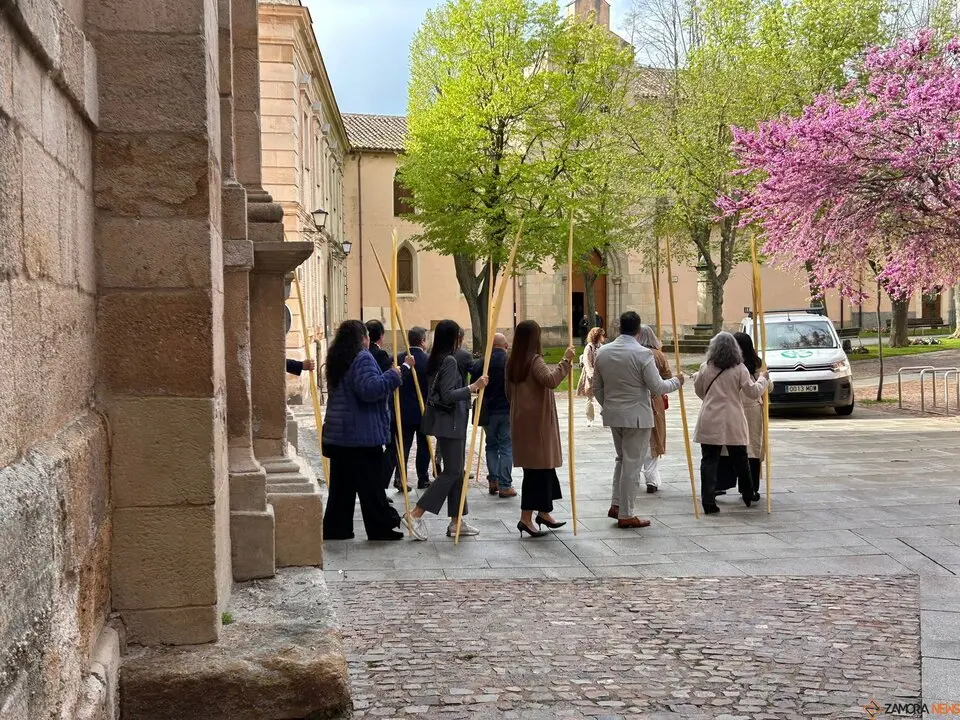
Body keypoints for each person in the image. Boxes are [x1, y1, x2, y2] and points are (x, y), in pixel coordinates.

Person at [321, 320, 415, 541]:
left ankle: (336, 528)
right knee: (371, 486)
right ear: (362, 338)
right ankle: (380, 527)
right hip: (361, 434)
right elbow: (369, 390)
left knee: (341, 488)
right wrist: (393, 376)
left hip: (340, 434)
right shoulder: (362, 357)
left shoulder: (337, 359)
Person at [593, 311, 684, 528]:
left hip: (614, 414)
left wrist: (610, 404)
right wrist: (677, 381)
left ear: (619, 327)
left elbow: (597, 388)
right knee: (631, 465)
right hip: (637, 416)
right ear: (639, 330)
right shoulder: (643, 354)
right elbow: (658, 387)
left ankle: (617, 504)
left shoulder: (603, 352)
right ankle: (626, 513)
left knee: (622, 460)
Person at [407, 320, 488, 541]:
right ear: (453, 338)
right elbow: (448, 394)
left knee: (457, 472)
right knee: (452, 472)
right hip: (451, 423)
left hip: (447, 423)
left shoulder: (437, 358)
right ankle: (416, 513)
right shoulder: (449, 360)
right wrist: (474, 387)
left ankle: (456, 521)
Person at [506, 320, 575, 538]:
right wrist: (566, 361)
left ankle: (544, 512)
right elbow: (551, 380)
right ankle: (525, 518)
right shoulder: (534, 360)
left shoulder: (512, 362)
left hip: (522, 421)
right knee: (537, 472)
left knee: (543, 469)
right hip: (537, 425)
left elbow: (508, 393)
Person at [693, 331, 769, 515]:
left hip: (710, 417)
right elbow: (753, 392)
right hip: (733, 418)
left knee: (709, 460)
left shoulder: (706, 367)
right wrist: (763, 379)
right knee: (740, 458)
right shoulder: (740, 368)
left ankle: (708, 501)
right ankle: (748, 492)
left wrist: (712, 399)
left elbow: (700, 390)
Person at [716, 332, 765, 502]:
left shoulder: (726, 363)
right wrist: (764, 380)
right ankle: (750, 488)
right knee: (750, 448)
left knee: (728, 447)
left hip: (733, 408)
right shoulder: (755, 364)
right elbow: (763, 388)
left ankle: (721, 483)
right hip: (750, 409)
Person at [470, 334, 514, 497]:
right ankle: (505, 485)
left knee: (491, 445)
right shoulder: (510, 361)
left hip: (488, 410)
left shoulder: (482, 363)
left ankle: (493, 480)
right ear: (505, 346)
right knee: (506, 446)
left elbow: (474, 386)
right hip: (507, 409)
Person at [393, 327, 432, 491]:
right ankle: (422, 478)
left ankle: (400, 477)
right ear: (423, 341)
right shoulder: (428, 360)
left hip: (404, 410)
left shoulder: (399, 358)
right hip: (424, 410)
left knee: (404, 445)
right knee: (424, 445)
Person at [637, 325, 673, 494]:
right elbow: (667, 376)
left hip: (637, 399)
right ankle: (652, 479)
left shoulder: (634, 353)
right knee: (654, 436)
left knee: (636, 438)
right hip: (653, 399)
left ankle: (634, 476)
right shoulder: (658, 355)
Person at [576, 326, 605, 426]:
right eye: (601, 335)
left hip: (601, 375)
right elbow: (587, 362)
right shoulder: (589, 347)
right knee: (590, 398)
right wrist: (591, 374)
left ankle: (604, 417)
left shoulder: (602, 347)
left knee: (604, 397)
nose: (602, 337)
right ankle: (590, 419)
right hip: (591, 376)